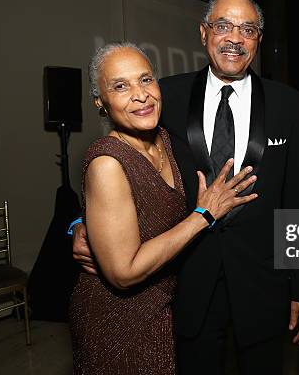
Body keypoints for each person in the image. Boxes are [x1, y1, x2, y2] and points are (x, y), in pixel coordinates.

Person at [72, 0, 299, 374]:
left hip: (264, 282)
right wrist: (81, 223)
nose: (234, 38)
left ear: (259, 40)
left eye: (247, 29)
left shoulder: (290, 104)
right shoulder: (162, 95)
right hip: (187, 283)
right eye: (223, 26)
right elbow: (123, 165)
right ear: (204, 33)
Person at [68, 43, 258, 374]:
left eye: (146, 79)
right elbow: (124, 273)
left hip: (165, 308)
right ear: (100, 101)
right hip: (118, 319)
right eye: (120, 85)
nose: (140, 95)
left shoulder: (166, 138)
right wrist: (204, 215)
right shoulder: (107, 162)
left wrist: (81, 225)